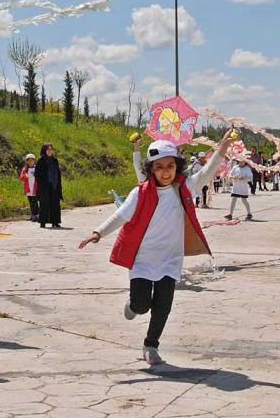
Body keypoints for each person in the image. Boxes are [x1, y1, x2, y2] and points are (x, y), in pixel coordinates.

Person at [77, 136, 230, 365]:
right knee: (141, 304)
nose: (165, 172)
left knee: (163, 306)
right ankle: (133, 305)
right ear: (151, 169)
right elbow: (121, 215)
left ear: (177, 166)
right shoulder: (140, 192)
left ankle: (151, 345)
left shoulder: (185, 188)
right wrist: (98, 232)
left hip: (170, 258)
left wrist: (224, 146)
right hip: (143, 259)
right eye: (159, 167)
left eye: (170, 166)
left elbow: (208, 172)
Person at [36, 142, 63, 228]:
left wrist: (58, 184)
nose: (50, 151)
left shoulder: (55, 160)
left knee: (55, 204)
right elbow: (37, 174)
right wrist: (42, 183)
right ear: (44, 150)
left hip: (54, 185)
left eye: (51, 149)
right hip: (44, 187)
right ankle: (43, 222)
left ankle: (55, 222)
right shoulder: (41, 161)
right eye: (48, 149)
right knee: (44, 204)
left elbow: (58, 172)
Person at [19, 154, 39, 222]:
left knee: (35, 202)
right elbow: (21, 178)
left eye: (32, 160)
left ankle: (36, 215)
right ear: (27, 161)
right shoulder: (25, 169)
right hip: (28, 188)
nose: (30, 162)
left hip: (35, 188)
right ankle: (32, 215)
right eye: (29, 161)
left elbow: (41, 177)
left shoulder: (37, 168)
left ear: (34, 161)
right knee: (31, 202)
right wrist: (25, 176)